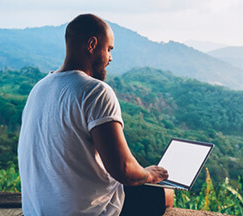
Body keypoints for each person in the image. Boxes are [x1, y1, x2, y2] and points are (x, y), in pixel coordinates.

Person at [18, 13, 174, 216]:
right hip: (86, 212)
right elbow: (124, 170)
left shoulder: (39, 87)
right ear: (92, 44)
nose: (111, 58)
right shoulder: (95, 91)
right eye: (109, 49)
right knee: (165, 194)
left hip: (37, 210)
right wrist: (149, 174)